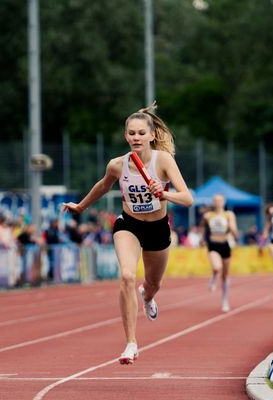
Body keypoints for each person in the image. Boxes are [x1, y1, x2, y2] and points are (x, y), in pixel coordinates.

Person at [62, 103, 193, 365]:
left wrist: (163, 192)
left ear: (151, 136)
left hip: (157, 228)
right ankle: (131, 343)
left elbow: (187, 198)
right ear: (125, 136)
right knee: (126, 276)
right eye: (131, 133)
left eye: (141, 133)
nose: (136, 137)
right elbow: (102, 186)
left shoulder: (163, 161)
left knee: (153, 284)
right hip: (129, 225)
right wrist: (81, 206)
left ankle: (147, 296)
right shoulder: (117, 165)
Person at [200, 194, 238, 312]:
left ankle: (225, 300)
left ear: (224, 202)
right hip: (213, 244)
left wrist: (232, 229)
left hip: (225, 245)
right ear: (213, 202)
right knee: (217, 267)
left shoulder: (229, 215)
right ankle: (214, 277)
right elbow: (202, 228)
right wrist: (202, 239)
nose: (218, 202)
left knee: (225, 276)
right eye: (216, 200)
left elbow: (235, 232)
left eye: (220, 200)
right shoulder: (208, 216)